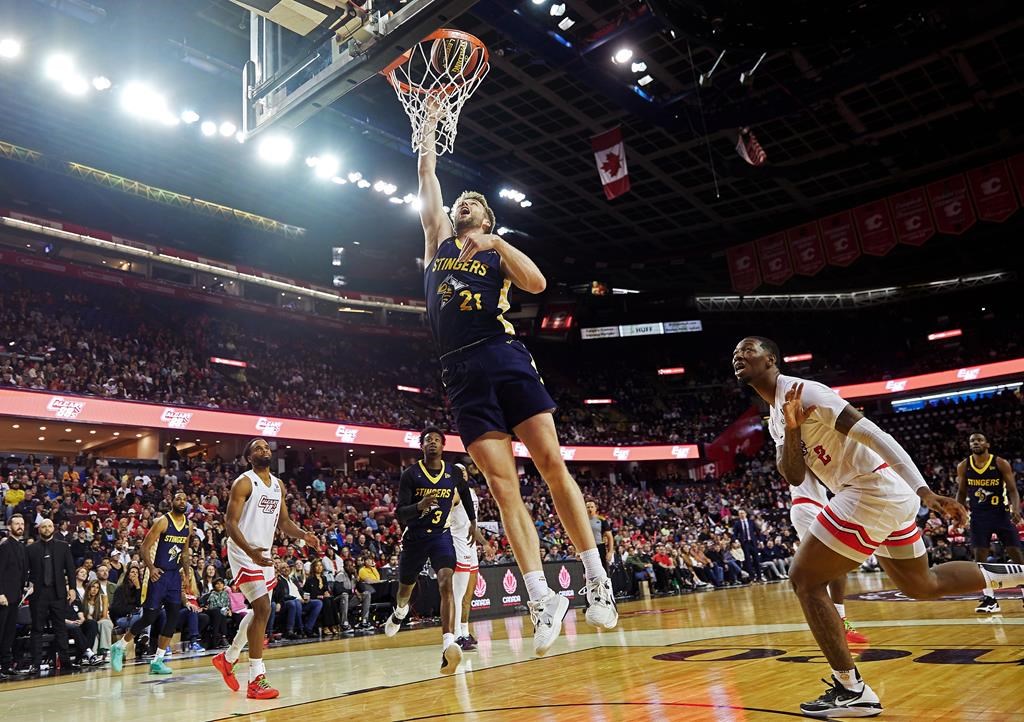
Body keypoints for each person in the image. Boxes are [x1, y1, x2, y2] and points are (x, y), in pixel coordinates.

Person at [733, 336, 1024, 718]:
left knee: (804, 579)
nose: (738, 356)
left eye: (748, 349)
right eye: (735, 353)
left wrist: (924, 490)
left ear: (771, 359)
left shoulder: (808, 392)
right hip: (878, 494)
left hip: (871, 489)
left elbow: (876, 436)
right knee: (922, 585)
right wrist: (790, 429)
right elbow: (793, 474)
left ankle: (852, 689)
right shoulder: (775, 415)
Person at [416, 112, 617, 657]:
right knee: (504, 491)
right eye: (460, 204)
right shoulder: (437, 241)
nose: (462, 206)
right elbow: (427, 177)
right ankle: (539, 596)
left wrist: (497, 244)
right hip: (458, 374)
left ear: (487, 219)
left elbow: (538, 283)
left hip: (502, 356)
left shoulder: (496, 255)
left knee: (551, 465)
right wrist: (429, 133)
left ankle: (596, 578)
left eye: (473, 205)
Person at [212, 438, 319, 700]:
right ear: (249, 457)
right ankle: (256, 679)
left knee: (259, 611)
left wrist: (305, 535)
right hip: (243, 552)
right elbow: (230, 523)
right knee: (262, 609)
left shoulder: (278, 485)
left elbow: (284, 522)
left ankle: (228, 658)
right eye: (257, 448)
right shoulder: (244, 482)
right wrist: (250, 553)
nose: (264, 450)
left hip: (264, 554)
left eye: (266, 447)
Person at [384, 427, 474, 675]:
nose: (432, 442)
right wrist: (419, 505)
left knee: (446, 583)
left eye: (436, 439)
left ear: (443, 446)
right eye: (427, 440)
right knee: (405, 590)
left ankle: (448, 643)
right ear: (421, 446)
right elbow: (399, 512)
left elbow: (465, 495)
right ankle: (400, 611)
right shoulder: (410, 475)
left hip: (441, 537)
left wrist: (474, 522)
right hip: (414, 537)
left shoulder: (454, 473)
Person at [110, 491, 193, 675]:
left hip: (173, 576)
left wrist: (186, 575)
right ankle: (120, 645)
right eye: (178, 498)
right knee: (149, 617)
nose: (182, 501)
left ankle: (158, 660)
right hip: (158, 574)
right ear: (171, 501)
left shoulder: (188, 524)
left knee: (173, 616)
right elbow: (145, 547)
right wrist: (151, 568)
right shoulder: (163, 521)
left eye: (184, 499)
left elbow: (185, 552)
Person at [956, 432, 1024, 613]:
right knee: (980, 560)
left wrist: (1015, 509)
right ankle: (990, 599)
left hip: (1001, 514)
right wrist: (958, 512)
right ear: (969, 445)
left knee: (1016, 554)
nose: (975, 443)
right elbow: (961, 493)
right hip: (978, 516)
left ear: (987, 444)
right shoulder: (964, 466)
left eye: (979, 440)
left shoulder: (1000, 463)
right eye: (972, 441)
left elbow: (1012, 490)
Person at [25, 518, 77, 674]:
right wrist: (27, 585)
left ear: (53, 529)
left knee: (60, 628)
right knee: (37, 629)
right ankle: (35, 663)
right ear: (39, 529)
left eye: (49, 526)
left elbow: (70, 568)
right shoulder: (31, 549)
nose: (47, 529)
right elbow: (24, 572)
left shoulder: (63, 546)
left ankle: (66, 661)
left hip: (58, 593)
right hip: (38, 594)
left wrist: (73, 588)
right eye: (44, 527)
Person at [449, 462, 487, 651]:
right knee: (458, 594)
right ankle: (456, 635)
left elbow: (473, 524)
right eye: (458, 471)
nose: (462, 474)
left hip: (471, 545)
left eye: (464, 471)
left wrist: (485, 543)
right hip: (458, 543)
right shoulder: (453, 492)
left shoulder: (471, 492)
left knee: (468, 595)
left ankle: (464, 630)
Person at [0, 513, 28, 678]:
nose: (20, 526)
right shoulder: (4, 546)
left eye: (22, 524)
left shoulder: (21, 547)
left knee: (10, 633)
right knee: (1, 631)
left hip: (15, 597)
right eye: (17, 524)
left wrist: (26, 586)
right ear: (10, 527)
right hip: (4, 597)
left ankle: (5, 666)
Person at [586, 500, 615, 574]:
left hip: (600, 547)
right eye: (588, 507)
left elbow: (610, 537)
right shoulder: (583, 520)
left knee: (603, 570)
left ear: (595, 508)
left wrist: (610, 551)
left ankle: (605, 585)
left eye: (592, 507)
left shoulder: (602, 520)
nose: (590, 509)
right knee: (589, 571)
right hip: (587, 548)